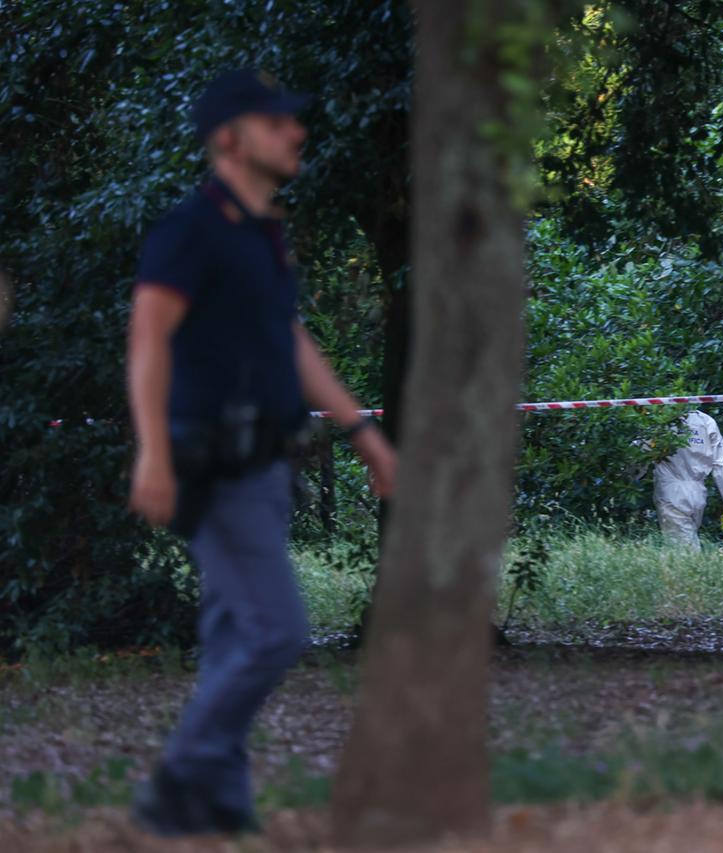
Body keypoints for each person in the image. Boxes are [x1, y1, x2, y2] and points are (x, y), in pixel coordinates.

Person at [126, 69, 396, 837]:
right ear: (229, 138)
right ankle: (180, 774)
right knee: (277, 630)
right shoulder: (191, 229)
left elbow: (288, 338)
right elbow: (148, 338)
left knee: (232, 630)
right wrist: (152, 453)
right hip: (212, 463)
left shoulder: (263, 232)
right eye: (276, 123)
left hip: (267, 461)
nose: (295, 132)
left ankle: (216, 797)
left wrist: (362, 432)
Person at [652, 409, 723, 548]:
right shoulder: (706, 421)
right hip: (698, 492)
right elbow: (722, 463)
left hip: (671, 491)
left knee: (683, 551)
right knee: (686, 543)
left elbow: (639, 452)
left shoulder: (660, 419)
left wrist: (631, 476)